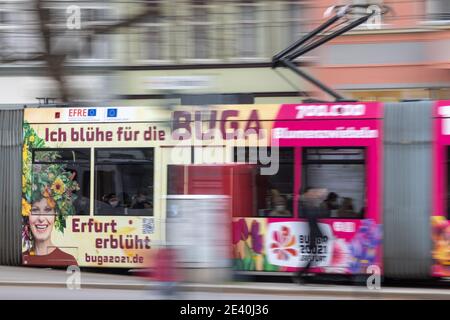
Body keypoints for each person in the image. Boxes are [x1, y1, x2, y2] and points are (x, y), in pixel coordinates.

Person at [22, 196, 78, 267]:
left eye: (48, 210)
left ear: (55, 215)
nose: (41, 218)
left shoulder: (69, 261)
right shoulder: (20, 260)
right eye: (35, 210)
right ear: (27, 216)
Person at [295, 188, 326, 284]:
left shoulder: (310, 206)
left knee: (312, 257)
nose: (313, 194)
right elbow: (314, 224)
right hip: (312, 236)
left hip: (313, 235)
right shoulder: (308, 207)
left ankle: (302, 275)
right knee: (312, 257)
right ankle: (299, 275)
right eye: (311, 192)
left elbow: (315, 224)